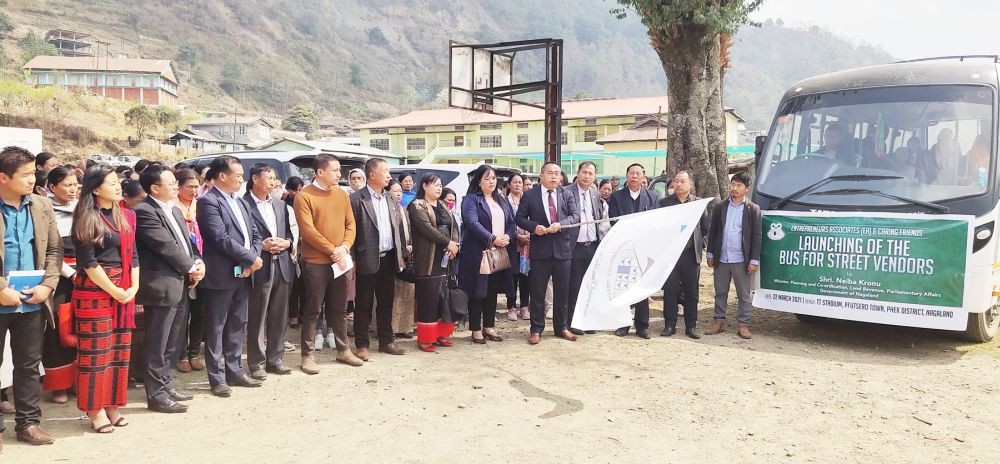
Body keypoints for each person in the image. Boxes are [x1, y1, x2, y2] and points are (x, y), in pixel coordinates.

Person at [0, 146, 61, 445]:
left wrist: (47, 286)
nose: (32, 179)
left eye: (33, 172)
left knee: (27, 365)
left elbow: (53, 250)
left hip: (32, 300)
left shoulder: (41, 205)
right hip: (1, 299)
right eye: (25, 175)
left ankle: (27, 424)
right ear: (3, 177)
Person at [71, 164, 139, 433]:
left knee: (119, 352)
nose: (118, 186)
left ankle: (113, 404)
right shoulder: (87, 217)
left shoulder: (124, 215)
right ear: (96, 188)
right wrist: (115, 290)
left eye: (117, 182)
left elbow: (133, 255)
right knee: (95, 355)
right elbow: (88, 263)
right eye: (111, 183)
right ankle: (94, 409)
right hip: (96, 290)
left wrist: (133, 287)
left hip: (123, 288)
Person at [134, 164, 204, 414]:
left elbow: (188, 244)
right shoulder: (144, 211)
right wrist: (190, 268)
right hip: (161, 286)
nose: (176, 185)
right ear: (154, 187)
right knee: (158, 343)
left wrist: (197, 261)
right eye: (171, 182)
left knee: (173, 341)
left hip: (181, 283)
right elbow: (165, 246)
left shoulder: (173, 210)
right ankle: (156, 395)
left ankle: (166, 384)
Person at [196, 156, 264, 397]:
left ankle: (235, 370)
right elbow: (219, 237)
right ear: (222, 176)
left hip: (244, 272)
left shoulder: (241, 201)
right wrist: (249, 259)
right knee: (216, 327)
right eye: (238, 175)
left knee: (237, 324)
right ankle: (217, 377)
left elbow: (255, 234)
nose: (241, 179)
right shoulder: (208, 202)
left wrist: (252, 259)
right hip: (220, 274)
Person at [293, 153, 363, 373]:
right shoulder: (304, 196)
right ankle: (308, 355)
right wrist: (333, 250)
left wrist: (343, 248)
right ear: (320, 172)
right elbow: (308, 232)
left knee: (339, 309)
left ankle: (343, 350)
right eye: (335, 170)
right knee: (313, 309)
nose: (339, 174)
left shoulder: (341, 195)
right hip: (315, 262)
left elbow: (351, 224)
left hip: (340, 261)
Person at [514, 162, 580, 345]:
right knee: (537, 293)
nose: (554, 177)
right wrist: (534, 228)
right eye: (550, 173)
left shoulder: (566, 194)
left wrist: (562, 223)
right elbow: (519, 218)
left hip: (563, 251)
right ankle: (536, 329)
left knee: (562, 292)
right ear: (541, 175)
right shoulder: (530, 195)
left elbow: (576, 216)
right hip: (540, 251)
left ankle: (561, 327)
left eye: (557, 173)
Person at [350, 158, 408, 359]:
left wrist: (401, 255)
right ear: (372, 174)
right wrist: (352, 261)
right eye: (385, 171)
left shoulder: (391, 199)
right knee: (364, 303)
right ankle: (362, 344)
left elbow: (398, 228)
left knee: (386, 302)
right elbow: (350, 232)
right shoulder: (357, 199)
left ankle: (386, 341)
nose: (389, 176)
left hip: (389, 258)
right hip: (366, 257)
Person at [244, 165, 294, 379]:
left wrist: (287, 243)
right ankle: (256, 363)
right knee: (257, 316)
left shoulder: (281, 205)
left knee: (279, 315)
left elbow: (290, 234)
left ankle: (276, 359)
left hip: (282, 264)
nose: (273, 182)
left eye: (275, 178)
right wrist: (259, 248)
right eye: (269, 177)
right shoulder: (243, 205)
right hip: (259, 265)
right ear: (255, 179)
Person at [459, 165, 517, 344]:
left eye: (493, 178)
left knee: (492, 290)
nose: (492, 182)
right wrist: (492, 238)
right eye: (487, 178)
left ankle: (489, 327)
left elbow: (511, 222)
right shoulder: (471, 200)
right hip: (478, 252)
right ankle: (476, 329)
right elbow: (472, 223)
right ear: (478, 181)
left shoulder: (501, 199)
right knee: (478, 291)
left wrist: (508, 235)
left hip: (498, 252)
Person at [407, 174, 460, 352]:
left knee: (443, 297)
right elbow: (426, 229)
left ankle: (441, 334)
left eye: (440, 185)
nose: (438, 188)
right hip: (428, 258)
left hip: (446, 256)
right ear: (424, 186)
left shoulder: (443, 205)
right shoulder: (417, 206)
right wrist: (448, 243)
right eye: (434, 185)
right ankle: (425, 338)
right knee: (428, 299)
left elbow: (453, 227)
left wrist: (454, 246)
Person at [706, 171, 761, 339]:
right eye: (733, 184)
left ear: (746, 189)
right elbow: (713, 231)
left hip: (741, 259)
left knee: (743, 294)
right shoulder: (720, 206)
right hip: (722, 257)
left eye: (739, 185)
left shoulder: (753, 209)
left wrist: (754, 259)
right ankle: (719, 321)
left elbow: (756, 236)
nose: (734, 188)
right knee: (720, 291)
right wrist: (710, 253)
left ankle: (743, 324)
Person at [608, 163, 660, 339]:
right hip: (624, 249)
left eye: (638, 173)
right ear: (627, 176)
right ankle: (623, 323)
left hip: (644, 250)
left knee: (642, 288)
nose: (635, 176)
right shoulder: (616, 197)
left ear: (643, 177)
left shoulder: (653, 197)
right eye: (631, 173)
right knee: (623, 285)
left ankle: (642, 325)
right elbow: (613, 221)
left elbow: (655, 223)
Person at [41, 167, 79, 405]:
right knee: (57, 330)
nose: (73, 189)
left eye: (75, 184)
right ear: (52, 188)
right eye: (67, 185)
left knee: (83, 329)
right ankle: (59, 385)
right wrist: (70, 273)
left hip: (88, 275)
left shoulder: (84, 209)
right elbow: (48, 249)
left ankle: (80, 380)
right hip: (60, 277)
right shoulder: (45, 211)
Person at [658, 170, 710, 339]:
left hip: (690, 254)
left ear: (690, 184)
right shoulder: (664, 203)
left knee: (691, 291)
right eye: (676, 181)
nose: (678, 184)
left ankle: (691, 325)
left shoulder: (699, 204)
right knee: (670, 290)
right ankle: (670, 325)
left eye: (682, 181)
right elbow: (659, 227)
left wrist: (699, 244)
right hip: (671, 254)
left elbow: (705, 228)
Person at [566, 162, 605, 335]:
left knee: (591, 286)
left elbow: (601, 220)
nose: (587, 176)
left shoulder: (596, 194)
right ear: (578, 173)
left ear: (595, 176)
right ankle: (573, 321)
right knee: (574, 286)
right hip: (574, 247)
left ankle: (588, 320)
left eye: (591, 173)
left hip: (593, 245)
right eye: (584, 172)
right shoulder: (566, 192)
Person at [173, 168, 205, 373]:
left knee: (200, 312)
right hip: (181, 267)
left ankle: (195, 352)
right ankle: (181, 354)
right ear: (178, 186)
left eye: (196, 186)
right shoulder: (172, 208)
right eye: (190, 187)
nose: (194, 191)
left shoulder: (201, 206)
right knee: (182, 315)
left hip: (203, 265)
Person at [388, 180, 414, 339]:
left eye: (400, 191)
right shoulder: (386, 210)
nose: (398, 194)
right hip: (392, 256)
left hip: (407, 255)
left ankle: (405, 327)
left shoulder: (404, 210)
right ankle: (391, 327)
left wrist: (410, 247)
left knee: (408, 292)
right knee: (393, 294)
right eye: (395, 190)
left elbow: (409, 231)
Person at [505, 174, 531, 321]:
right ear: (509, 184)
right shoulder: (504, 202)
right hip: (512, 244)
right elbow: (505, 222)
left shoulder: (528, 199)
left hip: (527, 245)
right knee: (512, 277)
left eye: (520, 182)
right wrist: (516, 236)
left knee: (526, 276)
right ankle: (511, 307)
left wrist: (528, 236)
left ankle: (524, 307)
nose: (517, 185)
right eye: (514, 182)